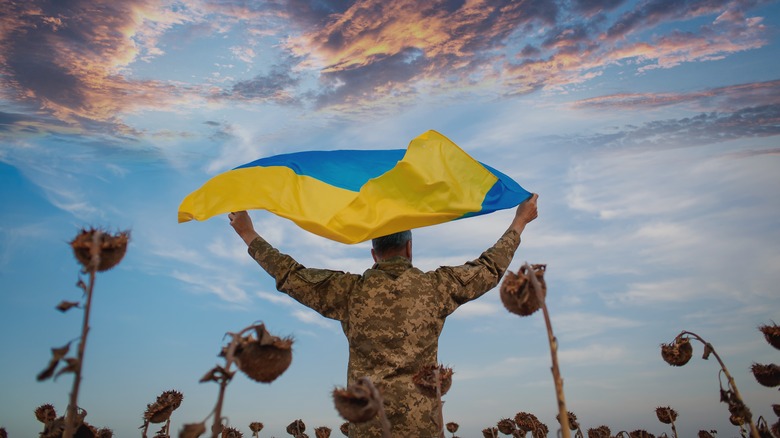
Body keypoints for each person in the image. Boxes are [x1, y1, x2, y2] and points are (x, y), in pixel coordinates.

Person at [229, 193, 538, 437]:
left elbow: (290, 274)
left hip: (367, 425)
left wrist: (248, 234)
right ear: (409, 248)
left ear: (374, 254)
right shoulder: (437, 289)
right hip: (423, 428)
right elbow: (489, 267)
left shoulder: (349, 292)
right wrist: (519, 221)